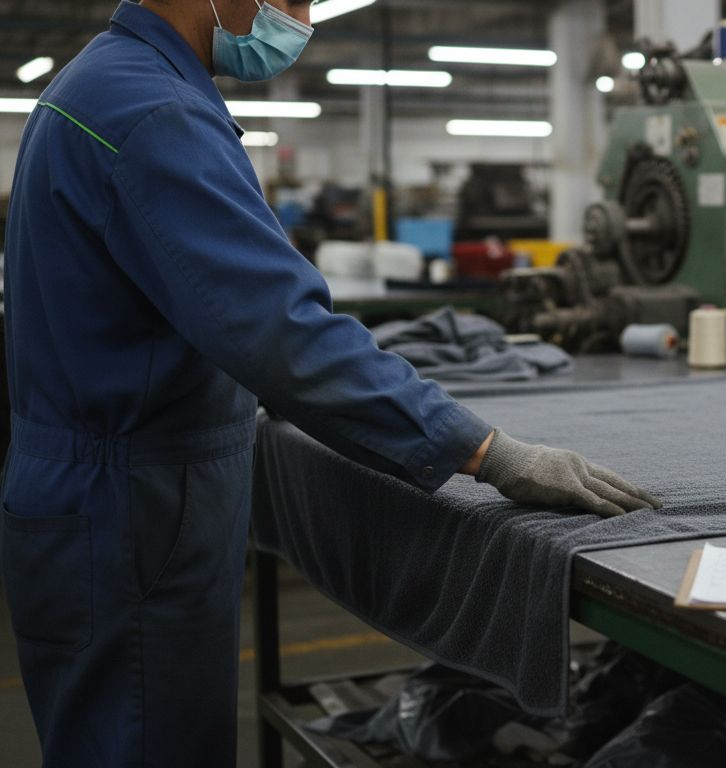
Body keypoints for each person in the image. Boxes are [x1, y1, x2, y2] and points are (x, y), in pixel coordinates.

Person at [0, 1, 659, 764]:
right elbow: (281, 331)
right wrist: (484, 450)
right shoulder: (152, 111)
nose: (302, 18)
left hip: (95, 498)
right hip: (133, 514)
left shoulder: (99, 84)